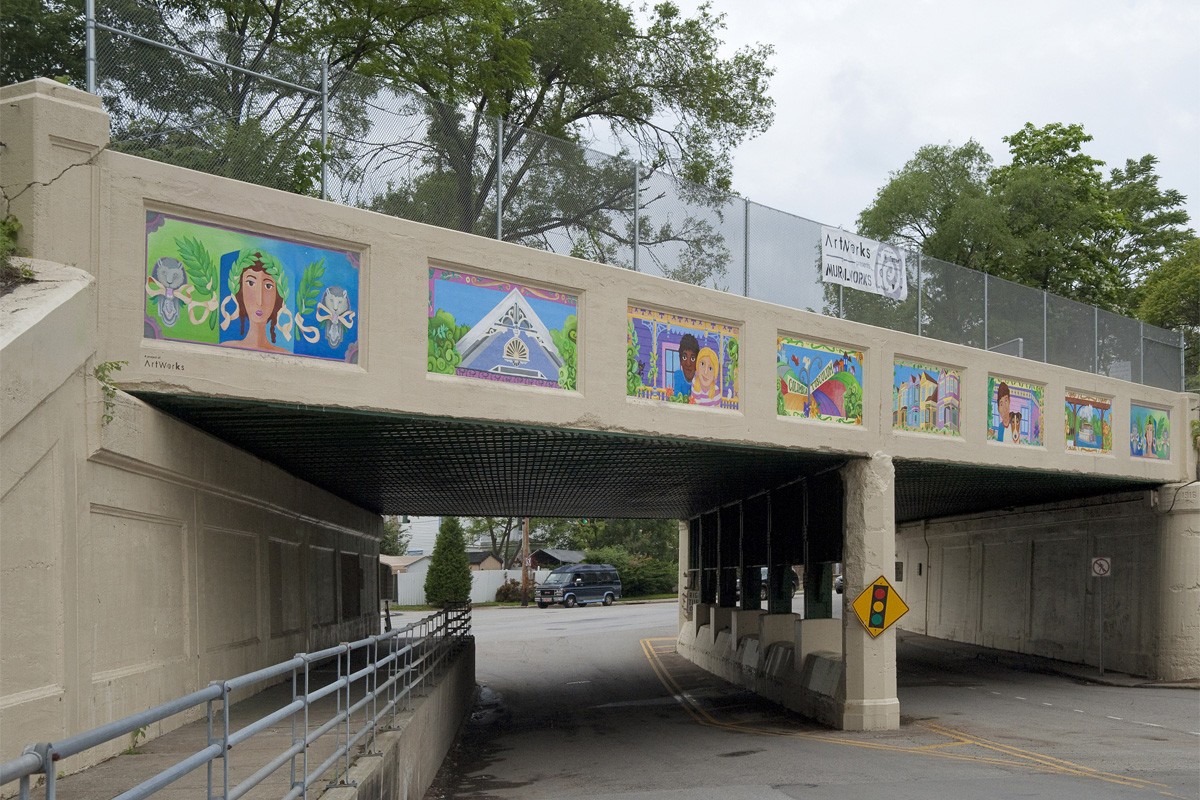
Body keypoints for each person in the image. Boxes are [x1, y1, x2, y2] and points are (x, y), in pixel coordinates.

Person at [224, 249, 289, 353]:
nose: (259, 301)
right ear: (240, 291)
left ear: (277, 296)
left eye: (268, 286)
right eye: (250, 283)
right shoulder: (225, 348)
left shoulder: (286, 355)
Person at [673, 334, 699, 400]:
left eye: (692, 358)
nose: (688, 363)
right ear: (680, 360)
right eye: (684, 357)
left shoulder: (699, 379)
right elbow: (677, 397)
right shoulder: (678, 376)